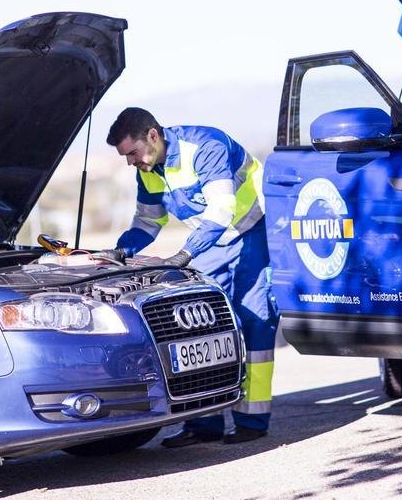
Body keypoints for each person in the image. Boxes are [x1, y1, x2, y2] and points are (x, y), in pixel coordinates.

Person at [101, 107, 278, 446]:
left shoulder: (206, 146)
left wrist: (184, 255)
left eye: (132, 153)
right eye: (125, 157)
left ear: (153, 136)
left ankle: (252, 419)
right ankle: (203, 422)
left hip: (252, 234)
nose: (130, 162)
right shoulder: (149, 169)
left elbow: (221, 210)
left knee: (255, 322)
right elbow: (148, 222)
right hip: (208, 244)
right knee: (200, 327)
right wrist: (121, 250)